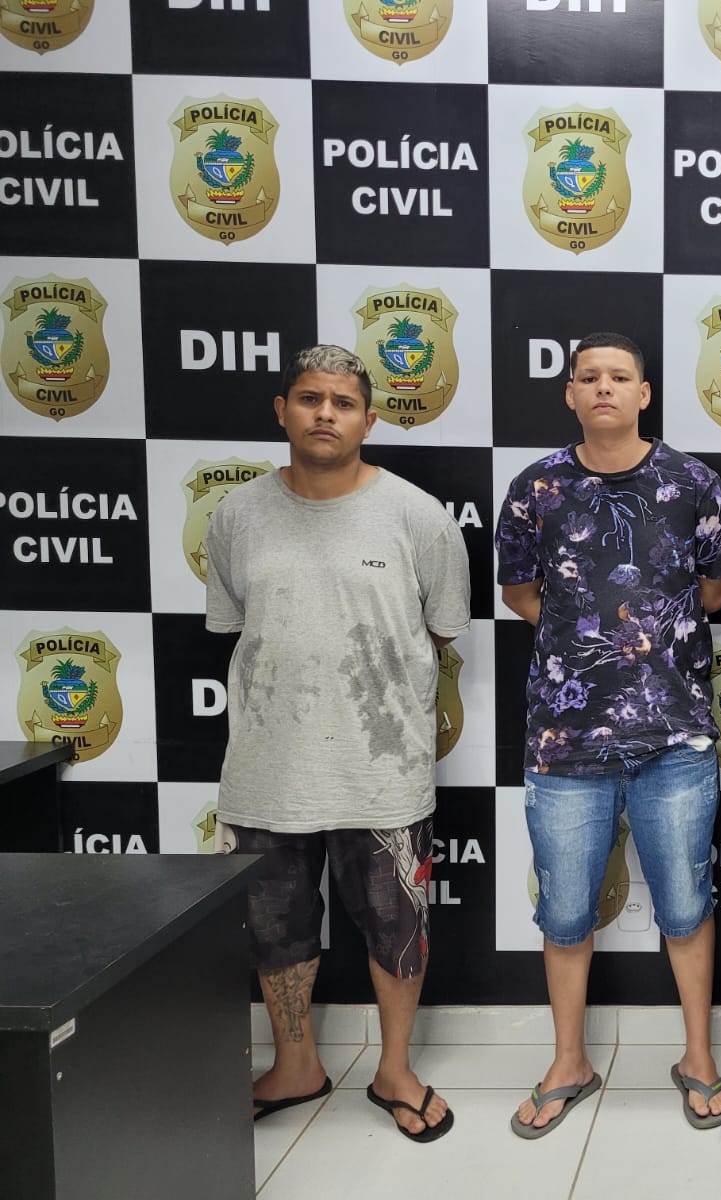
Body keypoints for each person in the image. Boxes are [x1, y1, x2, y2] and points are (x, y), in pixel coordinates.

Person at [207, 344, 471, 1142]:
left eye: (344, 402)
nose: (325, 413)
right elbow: (236, 625)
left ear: (369, 418)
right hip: (266, 769)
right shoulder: (235, 516)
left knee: (398, 926)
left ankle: (395, 1070)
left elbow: (440, 630)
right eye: (309, 398)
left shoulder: (418, 516)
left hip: (381, 767)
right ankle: (296, 1065)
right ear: (281, 409)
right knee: (274, 929)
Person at [495, 332, 721, 1137]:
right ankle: (569, 1062)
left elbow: (715, 592)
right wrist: (590, 640)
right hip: (566, 743)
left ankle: (697, 1057)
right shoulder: (535, 487)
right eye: (589, 376)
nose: (604, 387)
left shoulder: (693, 483)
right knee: (566, 914)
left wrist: (641, 646)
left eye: (619, 376)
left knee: (685, 908)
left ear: (644, 393)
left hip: (675, 739)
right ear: (570, 393)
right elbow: (521, 594)